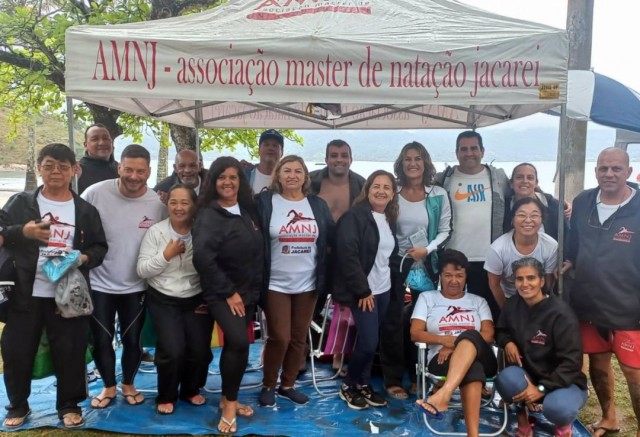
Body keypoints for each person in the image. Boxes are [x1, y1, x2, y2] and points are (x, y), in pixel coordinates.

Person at [0, 143, 107, 428]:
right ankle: (18, 405)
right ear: (39, 168)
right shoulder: (21, 203)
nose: (56, 171)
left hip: (67, 293)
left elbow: (100, 248)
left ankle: (69, 405)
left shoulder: (85, 210)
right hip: (25, 292)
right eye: (49, 165)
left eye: (62, 166)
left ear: (75, 169)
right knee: (17, 351)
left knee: (70, 351)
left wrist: (83, 257)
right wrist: (24, 231)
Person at [81, 144, 166, 408]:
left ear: (149, 172)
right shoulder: (95, 193)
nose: (133, 176)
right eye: (128, 169)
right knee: (102, 339)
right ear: (119, 167)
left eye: (140, 171)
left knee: (132, 340)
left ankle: (129, 384)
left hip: (137, 285)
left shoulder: (157, 203)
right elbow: (75, 225)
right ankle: (108, 387)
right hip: (99, 282)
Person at [563, 147, 640, 437]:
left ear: (628, 172)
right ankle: (609, 417)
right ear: (596, 171)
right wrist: (570, 259)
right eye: (603, 168)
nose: (609, 174)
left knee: (634, 374)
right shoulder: (583, 201)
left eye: (616, 169)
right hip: (588, 303)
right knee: (597, 362)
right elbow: (574, 239)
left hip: (627, 308)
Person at [193, 157, 264, 433]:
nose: (227, 182)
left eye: (233, 177)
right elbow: (203, 259)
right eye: (222, 177)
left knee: (237, 346)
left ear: (240, 181)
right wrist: (229, 292)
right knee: (238, 343)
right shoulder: (210, 214)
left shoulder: (247, 210)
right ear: (213, 182)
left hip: (248, 292)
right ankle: (231, 404)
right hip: (222, 293)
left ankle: (226, 398)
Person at [256, 155, 333, 407]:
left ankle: (287, 385)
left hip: (308, 283)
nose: (292, 175)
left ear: (305, 176)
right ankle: (268, 384)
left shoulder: (317, 205)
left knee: (299, 337)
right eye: (286, 170)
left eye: (298, 171)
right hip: (275, 282)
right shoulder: (266, 202)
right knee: (280, 336)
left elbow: (331, 238)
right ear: (277, 175)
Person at [382, 141, 452, 399]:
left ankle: (418, 375)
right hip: (395, 265)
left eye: (418, 158)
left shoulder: (438, 194)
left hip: (427, 267)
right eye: (408, 159)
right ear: (401, 164)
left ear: (426, 163)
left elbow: (446, 229)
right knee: (392, 322)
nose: (413, 163)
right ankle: (393, 379)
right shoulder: (393, 193)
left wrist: (428, 249)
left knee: (422, 322)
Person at [136, 184, 213, 415]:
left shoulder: (203, 232)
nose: (178, 208)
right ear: (167, 204)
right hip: (163, 297)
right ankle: (166, 395)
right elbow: (142, 270)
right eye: (173, 202)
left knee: (199, 350)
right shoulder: (157, 232)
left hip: (196, 297)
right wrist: (165, 255)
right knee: (172, 349)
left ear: (194, 205)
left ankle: (191, 389)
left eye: (184, 202)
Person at [496, 257, 587, 437]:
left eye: (531, 278)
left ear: (542, 281)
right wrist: (508, 342)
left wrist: (541, 389)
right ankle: (523, 421)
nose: (525, 284)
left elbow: (571, 363)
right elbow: (500, 330)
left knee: (558, 409)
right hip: (530, 376)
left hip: (564, 382)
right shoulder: (513, 305)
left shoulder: (561, 314)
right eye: (519, 279)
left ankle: (563, 428)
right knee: (506, 380)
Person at [332, 170, 398, 410]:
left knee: (372, 340)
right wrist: (362, 290)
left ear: (392, 194)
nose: (381, 191)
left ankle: (363, 383)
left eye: (386, 187)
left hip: (384, 289)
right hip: (365, 292)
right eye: (376, 186)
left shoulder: (388, 218)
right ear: (367, 190)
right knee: (369, 342)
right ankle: (349, 385)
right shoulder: (354, 217)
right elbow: (347, 255)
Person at [412, 249, 496, 437]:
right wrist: (443, 340)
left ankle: (444, 394)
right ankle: (472, 435)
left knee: (471, 335)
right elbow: (415, 333)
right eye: (448, 275)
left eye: (459, 275)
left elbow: (489, 335)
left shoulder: (478, 301)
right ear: (440, 276)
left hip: (482, 357)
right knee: (472, 369)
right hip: (441, 360)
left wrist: (454, 344)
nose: (453, 280)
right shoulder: (428, 298)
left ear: (466, 277)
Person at [435, 131, 509, 321]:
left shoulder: (498, 178)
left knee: (487, 316)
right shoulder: (444, 179)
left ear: (482, 151)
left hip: (488, 259)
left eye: (474, 148)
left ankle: (487, 350)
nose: (469, 153)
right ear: (456, 152)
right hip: (453, 259)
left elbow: (522, 191)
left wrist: (553, 201)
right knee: (453, 315)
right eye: (464, 149)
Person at [309, 139, 365, 374]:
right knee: (311, 304)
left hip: (347, 255)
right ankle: (303, 353)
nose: (339, 160)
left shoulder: (361, 184)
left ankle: (340, 355)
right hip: (316, 254)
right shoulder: (312, 181)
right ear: (326, 159)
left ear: (351, 159)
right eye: (334, 155)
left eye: (344, 155)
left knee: (345, 308)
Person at [484, 197, 558, 308]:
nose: (528, 220)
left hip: (537, 296)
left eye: (534, 215)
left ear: (541, 220)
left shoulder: (551, 245)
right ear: (513, 220)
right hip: (509, 297)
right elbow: (494, 284)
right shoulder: (498, 249)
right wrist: (507, 311)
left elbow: (548, 283)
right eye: (522, 215)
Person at [503, 162, 570, 242]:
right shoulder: (504, 207)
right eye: (519, 177)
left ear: (536, 183)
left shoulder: (552, 205)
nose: (525, 181)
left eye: (530, 178)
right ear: (511, 183)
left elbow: (567, 236)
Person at [78, 124, 119, 194]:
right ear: (85, 145)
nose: (102, 143)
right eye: (95, 139)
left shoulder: (120, 168)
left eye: (106, 138)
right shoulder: (78, 170)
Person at [246, 129, 284, 193]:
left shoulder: (288, 178)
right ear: (258, 150)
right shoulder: (245, 175)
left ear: (282, 152)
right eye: (266, 145)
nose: (271, 148)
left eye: (275, 145)